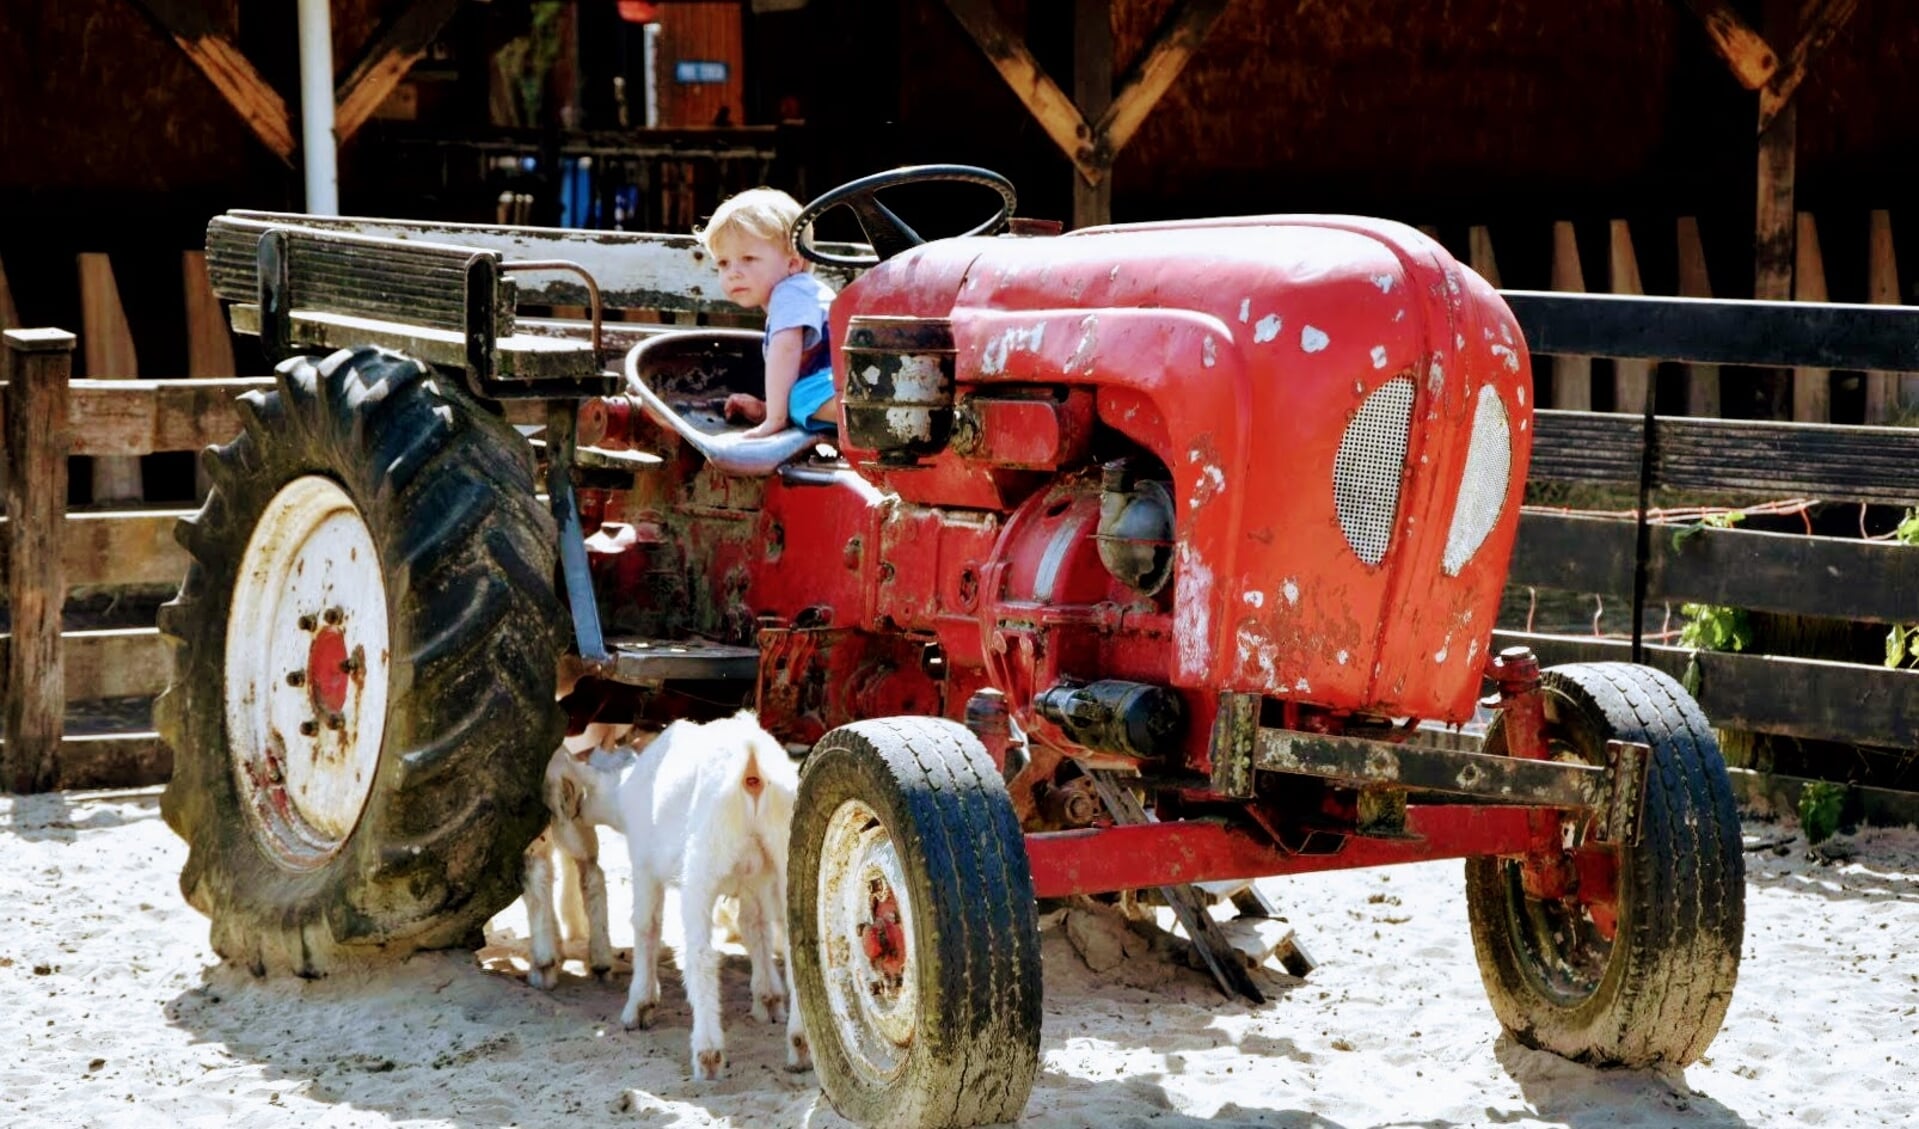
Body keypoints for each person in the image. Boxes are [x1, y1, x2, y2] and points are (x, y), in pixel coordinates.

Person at [695, 188, 837, 438]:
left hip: (842, 385)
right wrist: (766, 408)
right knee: (799, 397)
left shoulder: (789, 294)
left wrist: (774, 419)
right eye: (723, 263)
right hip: (837, 383)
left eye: (748, 258)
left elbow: (786, 350)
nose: (733, 272)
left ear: (793, 263)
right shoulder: (800, 293)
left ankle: (870, 418)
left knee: (800, 398)